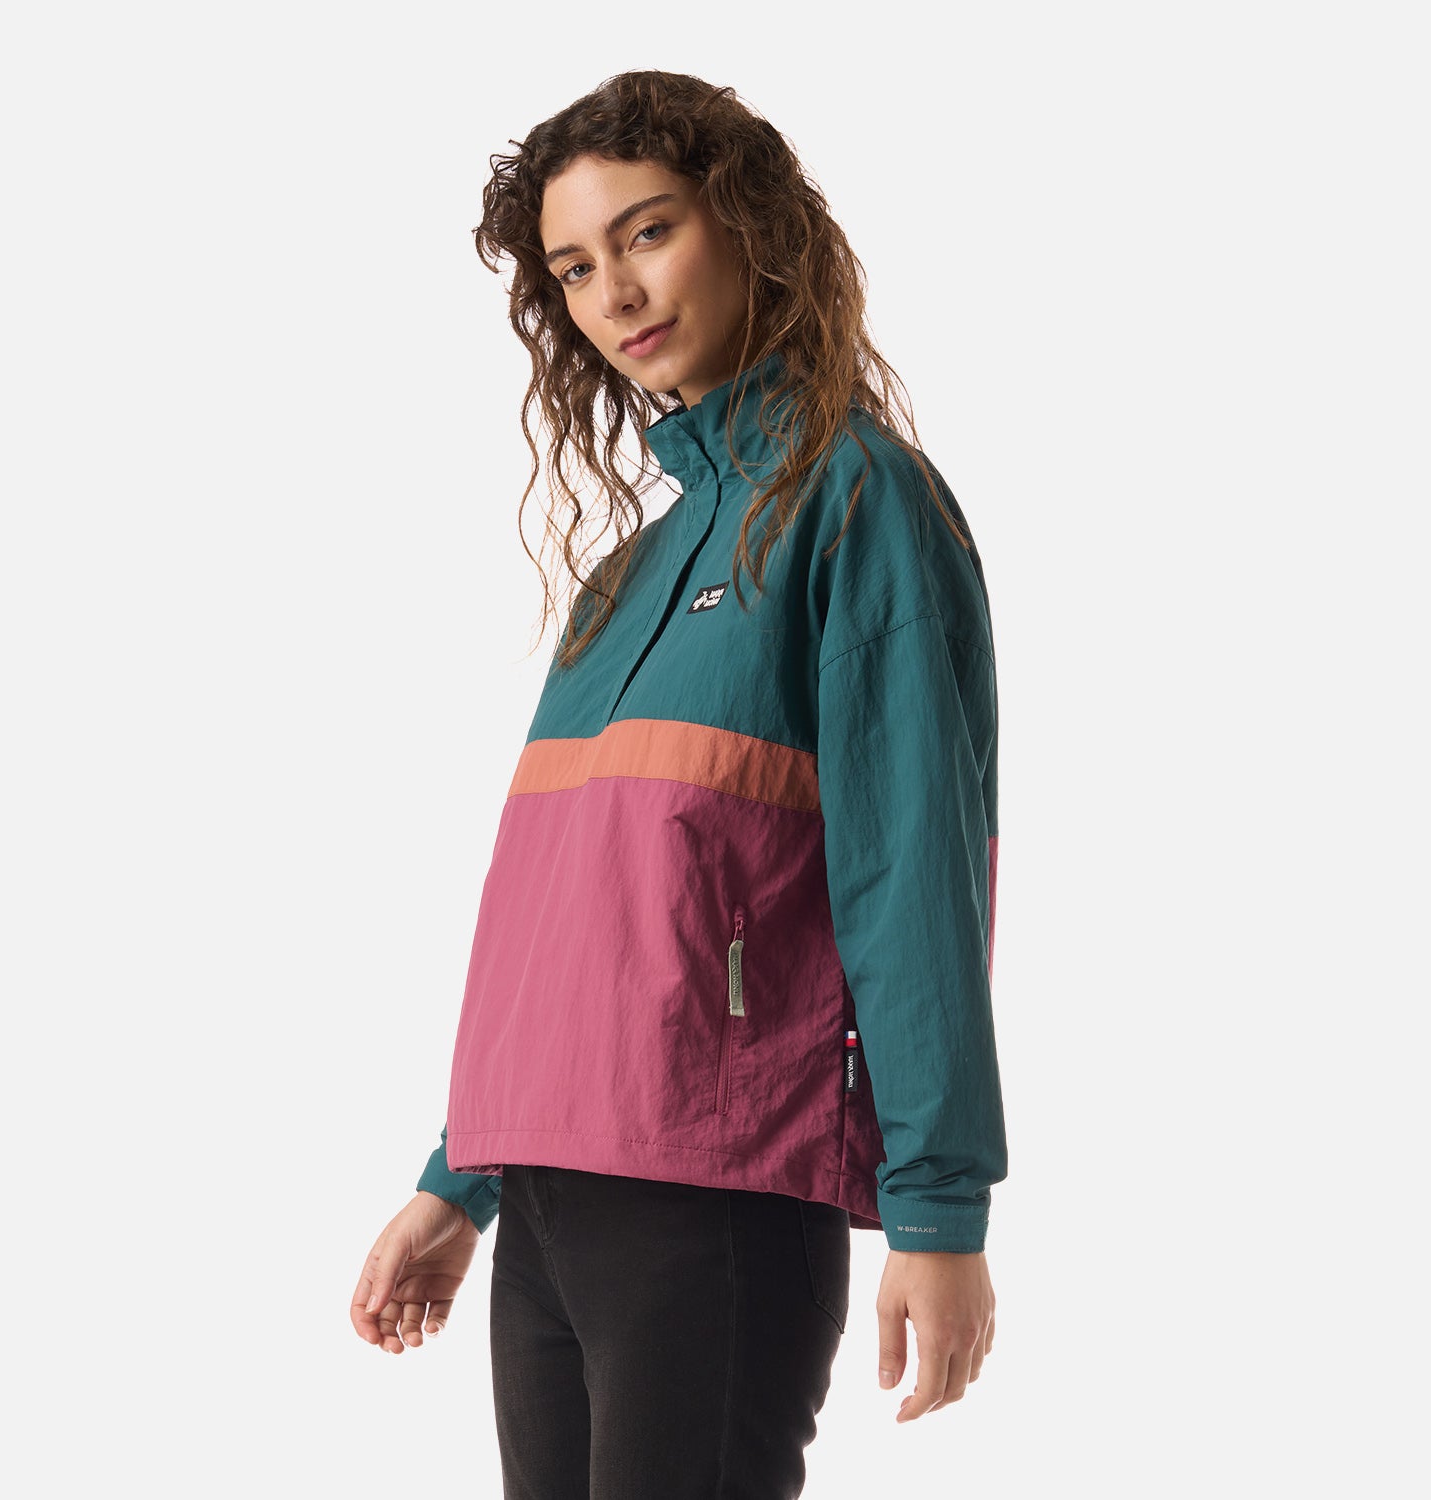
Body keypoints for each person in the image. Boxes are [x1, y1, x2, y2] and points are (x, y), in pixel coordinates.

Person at [349, 69, 1008, 1498]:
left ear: (750, 220)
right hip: (549, 1200)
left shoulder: (856, 501)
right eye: (575, 268)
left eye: (647, 231)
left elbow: (913, 877)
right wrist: (459, 1180)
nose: (617, 293)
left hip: (712, 1195)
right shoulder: (625, 577)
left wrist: (939, 1212)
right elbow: (566, 919)